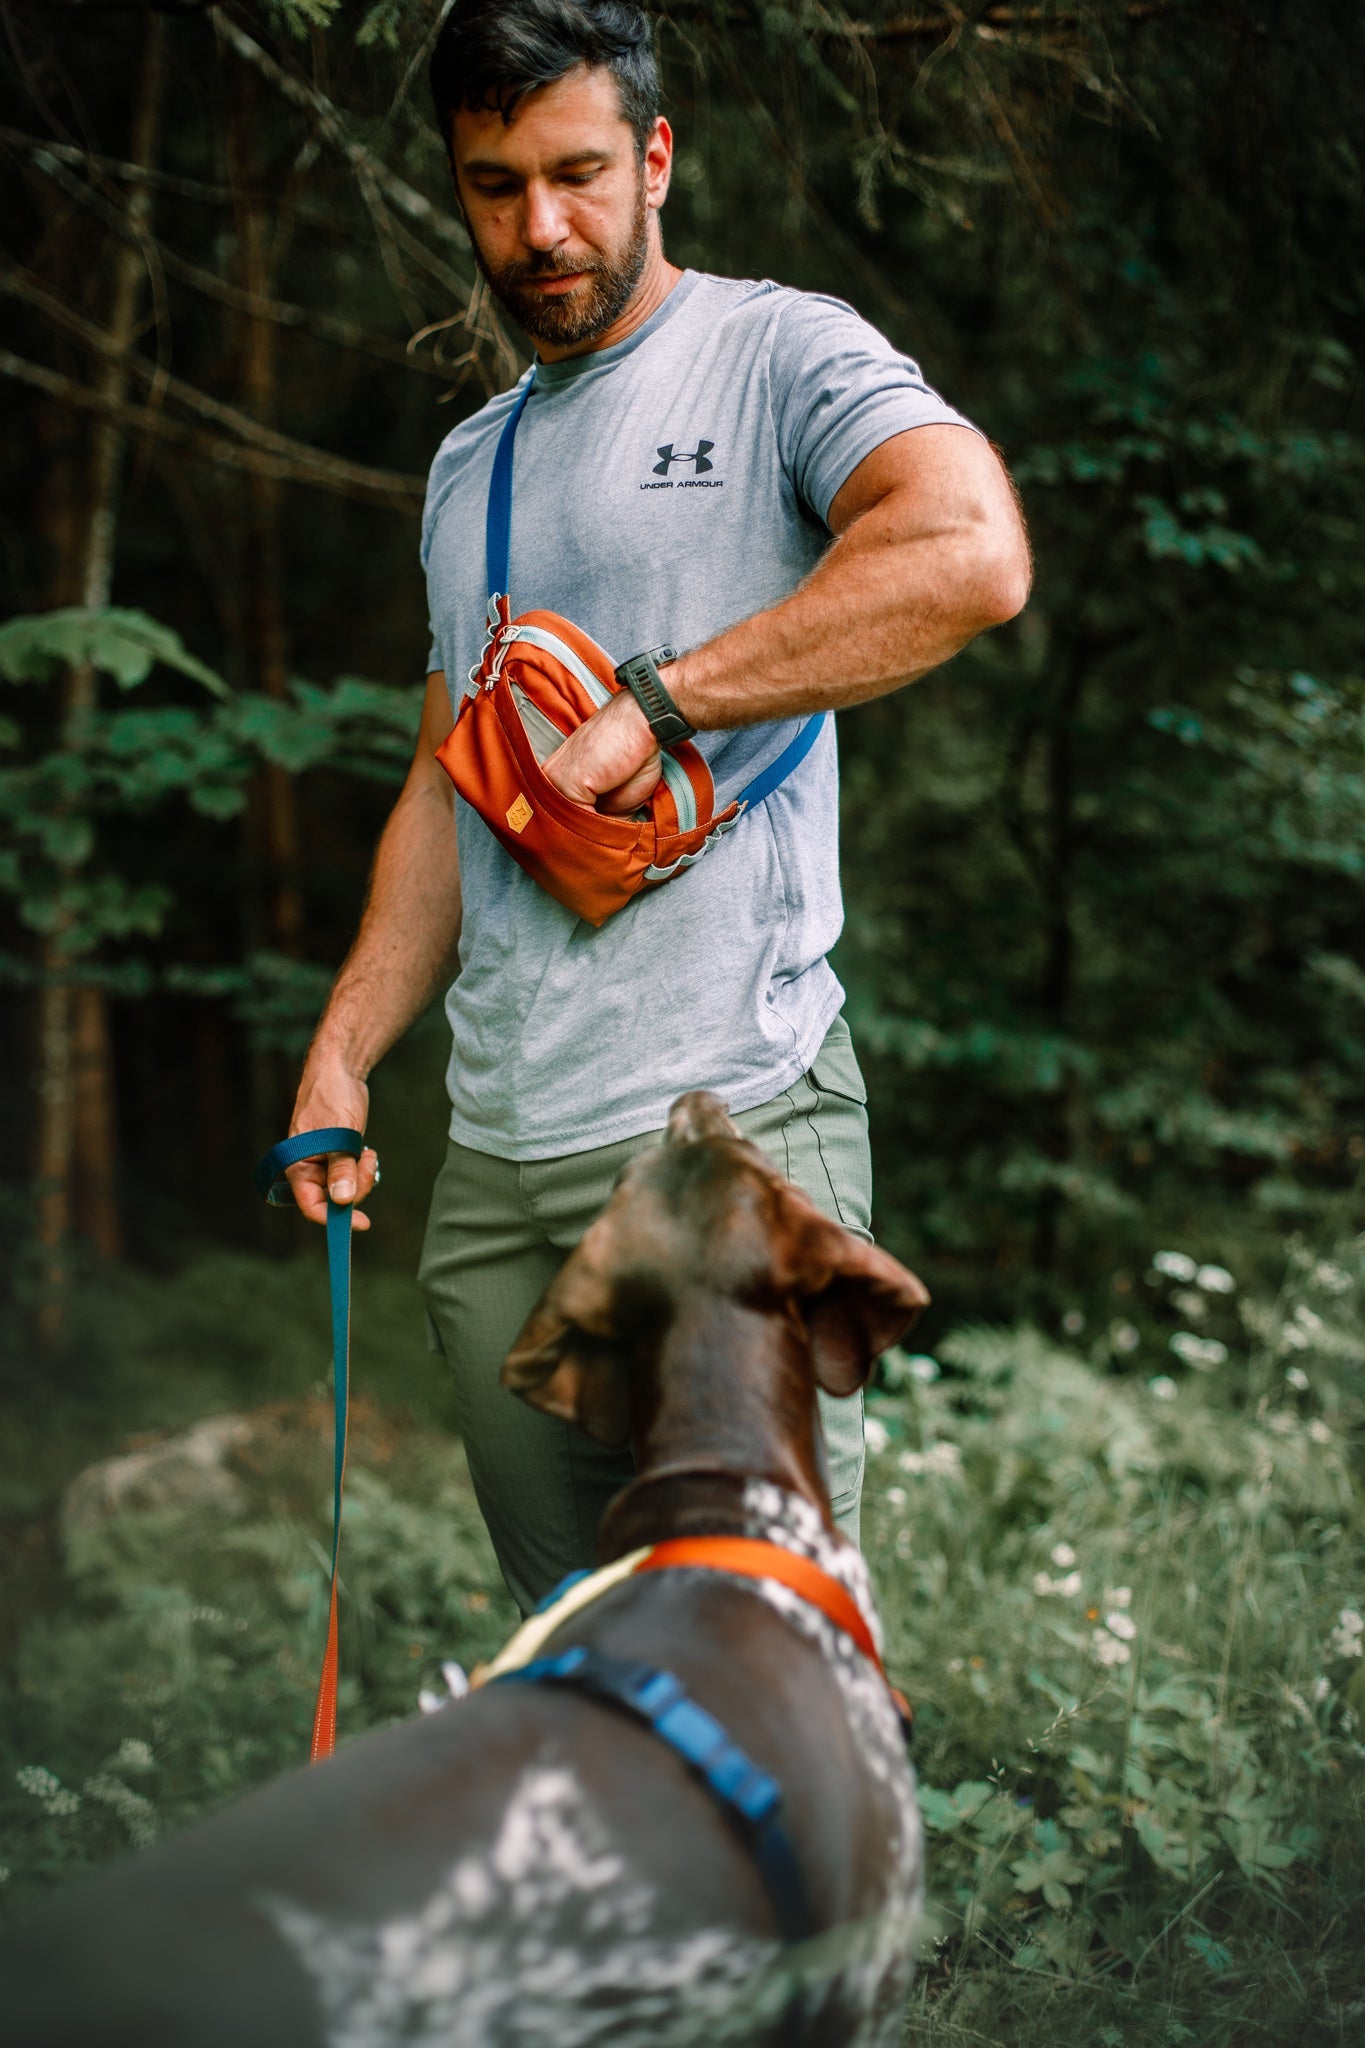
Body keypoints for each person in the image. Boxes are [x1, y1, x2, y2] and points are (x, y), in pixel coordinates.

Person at [285, 0, 1030, 1616]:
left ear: (656, 158)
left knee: (748, 1648)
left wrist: (662, 700)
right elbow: (445, 778)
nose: (539, 228)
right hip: (495, 1159)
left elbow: (967, 553)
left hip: (720, 1120)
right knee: (579, 1663)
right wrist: (347, 1048)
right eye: (494, 186)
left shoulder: (776, 352)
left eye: (576, 174)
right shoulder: (468, 462)